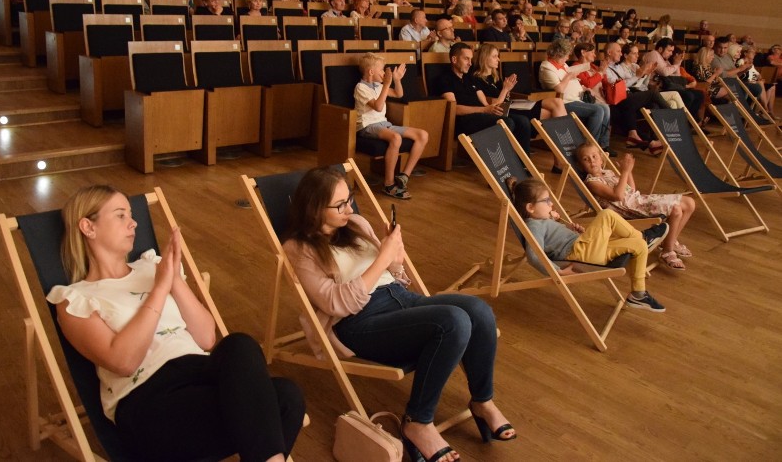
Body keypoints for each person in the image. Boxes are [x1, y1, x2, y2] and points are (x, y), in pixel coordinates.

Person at [47, 185, 304, 461]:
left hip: (200, 374)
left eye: (131, 215)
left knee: (278, 387)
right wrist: (160, 288)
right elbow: (124, 362)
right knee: (276, 406)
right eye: (120, 215)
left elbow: (206, 338)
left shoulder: (152, 266)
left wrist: (175, 280)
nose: (133, 222)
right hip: (149, 402)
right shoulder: (75, 299)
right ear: (88, 226)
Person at [283, 168, 515, 462]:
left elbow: (396, 275)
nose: (348, 208)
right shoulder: (299, 249)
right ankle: (418, 421)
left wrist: (396, 257)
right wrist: (383, 257)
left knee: (478, 310)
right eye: (339, 205)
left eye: (349, 199)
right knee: (453, 322)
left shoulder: (355, 223)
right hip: (360, 322)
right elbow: (336, 304)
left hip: (399, 297)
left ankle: (482, 401)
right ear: (315, 209)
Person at [506, 177, 668, 312]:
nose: (551, 204)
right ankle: (643, 237)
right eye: (546, 201)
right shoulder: (534, 226)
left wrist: (571, 230)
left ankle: (638, 294)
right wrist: (558, 273)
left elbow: (556, 239)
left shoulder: (543, 220)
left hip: (585, 250)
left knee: (638, 245)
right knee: (607, 215)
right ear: (530, 207)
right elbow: (534, 255)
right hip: (580, 253)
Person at [574, 144, 696, 271]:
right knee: (676, 210)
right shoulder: (592, 182)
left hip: (639, 201)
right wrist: (625, 172)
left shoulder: (608, 173)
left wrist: (628, 172)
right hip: (629, 210)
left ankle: (671, 239)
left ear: (601, 158)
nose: (592, 161)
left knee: (690, 203)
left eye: (594, 156)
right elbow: (618, 196)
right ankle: (667, 251)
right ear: (580, 165)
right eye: (586, 159)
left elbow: (631, 190)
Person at [354, 54, 429, 199]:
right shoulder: (361, 88)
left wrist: (396, 80)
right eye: (382, 70)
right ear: (371, 72)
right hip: (367, 126)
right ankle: (388, 184)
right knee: (396, 138)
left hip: (384, 124)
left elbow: (399, 94)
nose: (384, 73)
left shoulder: (379, 86)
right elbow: (378, 106)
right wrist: (387, 84)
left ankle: (404, 176)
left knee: (422, 135)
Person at [437, 42, 532, 153]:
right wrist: (485, 110)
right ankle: (499, 162)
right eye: (466, 59)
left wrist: (492, 107)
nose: (470, 63)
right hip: (464, 120)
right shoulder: (445, 79)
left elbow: (485, 103)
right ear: (454, 60)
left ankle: (523, 164)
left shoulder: (469, 78)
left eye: (471, 59)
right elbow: (454, 108)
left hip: (482, 115)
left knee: (523, 121)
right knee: (506, 122)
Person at [539, 39, 615, 157]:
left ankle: (600, 144)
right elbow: (559, 89)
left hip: (577, 98)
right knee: (598, 110)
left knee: (605, 107)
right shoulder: (547, 67)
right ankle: (590, 146)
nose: (568, 57)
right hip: (564, 103)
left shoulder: (563, 64)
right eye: (566, 54)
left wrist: (583, 88)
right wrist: (569, 76)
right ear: (558, 54)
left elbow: (572, 81)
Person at [601, 43, 667, 153]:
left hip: (627, 97)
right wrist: (638, 75)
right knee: (653, 94)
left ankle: (654, 141)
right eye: (618, 51)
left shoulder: (616, 67)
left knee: (652, 105)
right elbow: (619, 86)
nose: (621, 53)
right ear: (609, 52)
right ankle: (675, 116)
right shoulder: (605, 69)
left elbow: (628, 84)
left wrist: (645, 73)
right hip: (618, 99)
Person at [642, 38, 703, 121]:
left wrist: (677, 63)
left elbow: (676, 77)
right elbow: (665, 72)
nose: (671, 54)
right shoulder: (653, 54)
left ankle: (691, 122)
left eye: (672, 51)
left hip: (665, 87)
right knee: (688, 96)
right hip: (653, 88)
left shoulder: (664, 60)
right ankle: (686, 121)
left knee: (699, 94)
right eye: (669, 50)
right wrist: (677, 64)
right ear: (660, 49)